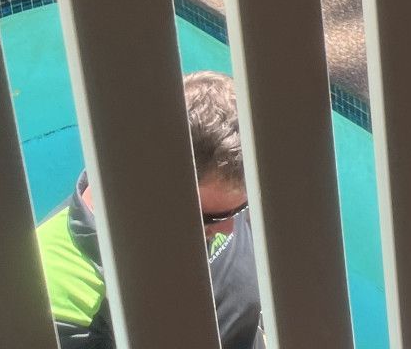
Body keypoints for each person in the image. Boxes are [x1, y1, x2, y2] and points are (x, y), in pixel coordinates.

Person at [37, 70, 264, 348]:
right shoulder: (54, 286)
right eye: (211, 217)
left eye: (241, 208)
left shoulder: (218, 199)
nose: (229, 228)